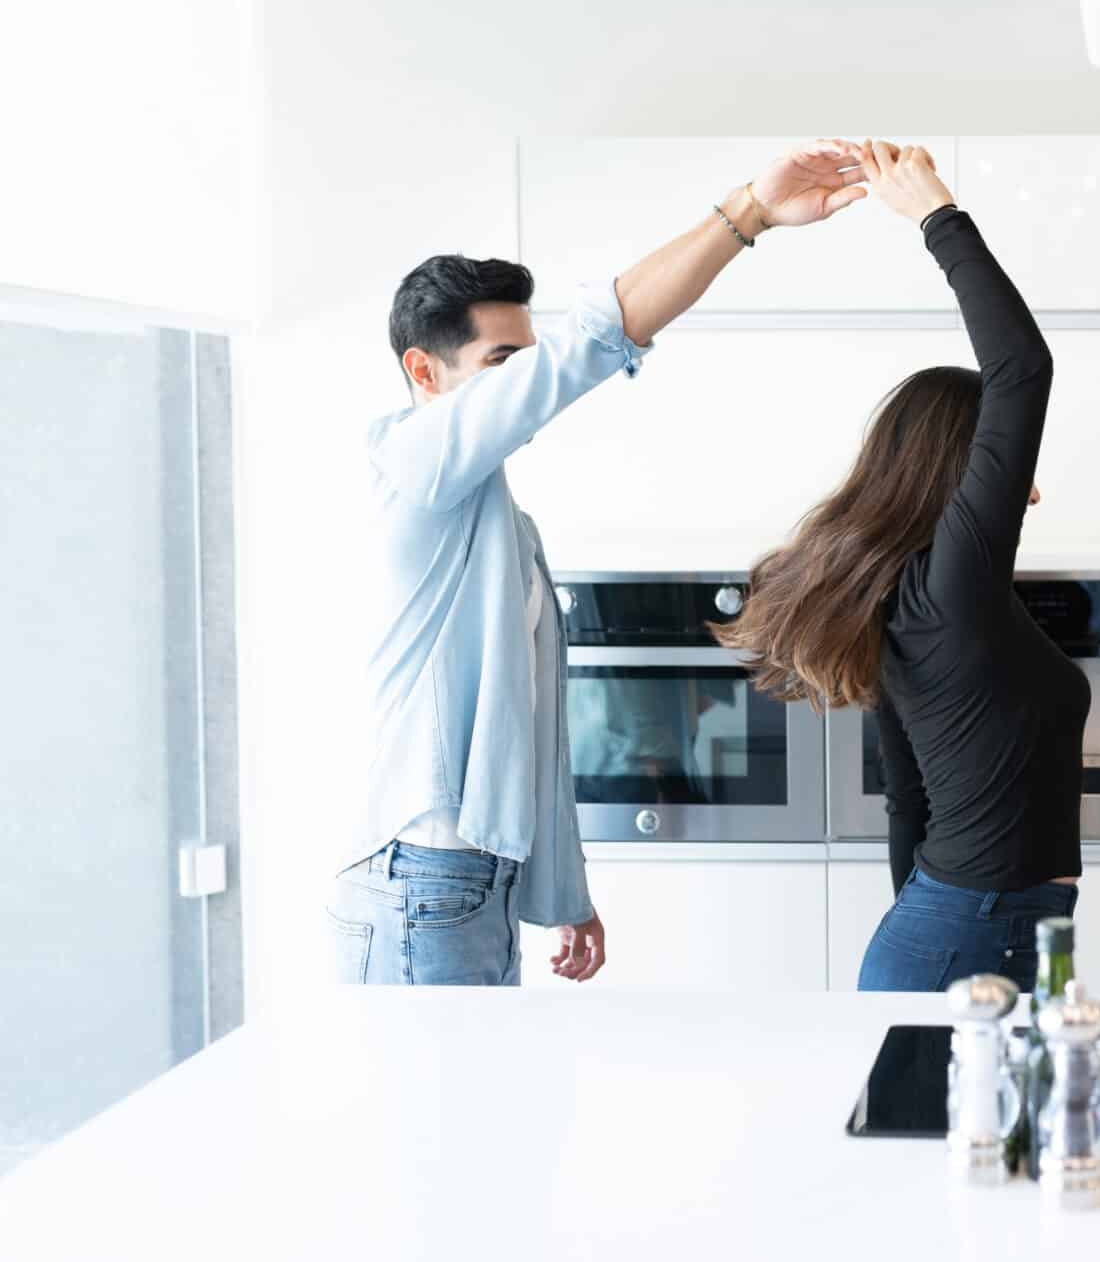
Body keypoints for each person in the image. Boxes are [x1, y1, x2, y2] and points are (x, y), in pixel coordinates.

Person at [334, 140, 868, 985]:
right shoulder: (411, 466)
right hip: (420, 880)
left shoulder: (505, 523)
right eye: (504, 364)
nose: (527, 383)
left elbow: (531, 723)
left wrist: (563, 891)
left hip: (470, 880)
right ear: (423, 372)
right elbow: (597, 336)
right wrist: (750, 214)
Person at [714, 139, 1083, 992]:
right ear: (962, 463)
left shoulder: (896, 596)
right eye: (996, 448)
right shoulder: (953, 587)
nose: (1019, 467)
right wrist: (936, 216)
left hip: (955, 929)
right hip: (973, 931)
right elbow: (1022, 369)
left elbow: (907, 801)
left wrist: (920, 932)